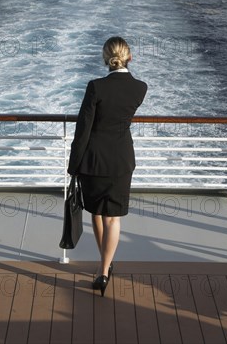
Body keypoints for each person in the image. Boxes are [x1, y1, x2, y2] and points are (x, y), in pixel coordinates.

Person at [68, 36, 147, 296]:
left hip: (93, 161)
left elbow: (83, 130)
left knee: (97, 214)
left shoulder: (95, 87)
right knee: (113, 217)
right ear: (129, 57)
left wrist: (73, 165)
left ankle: (105, 264)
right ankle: (104, 270)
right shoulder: (140, 88)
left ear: (106, 59)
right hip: (122, 160)